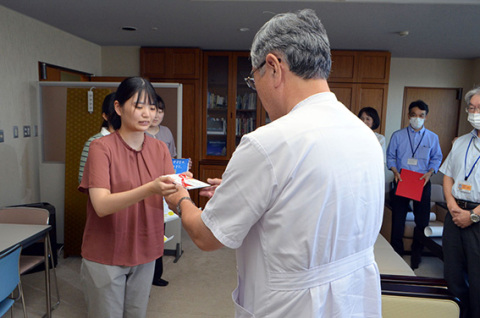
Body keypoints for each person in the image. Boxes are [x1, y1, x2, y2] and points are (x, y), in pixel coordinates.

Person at [165, 9, 384, 317]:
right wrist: (236, 195)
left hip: (291, 305)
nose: (258, 92)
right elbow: (314, 203)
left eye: (253, 81)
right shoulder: (364, 135)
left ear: (273, 67)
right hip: (353, 298)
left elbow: (205, 236)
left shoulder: (268, 142)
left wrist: (180, 200)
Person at [78, 77, 178, 318]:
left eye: (152, 107)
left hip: (146, 248)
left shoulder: (159, 148)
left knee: (136, 314)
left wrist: (188, 190)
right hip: (107, 252)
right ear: (118, 108)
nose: (147, 114)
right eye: (138, 106)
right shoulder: (101, 148)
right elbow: (101, 205)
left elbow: (172, 193)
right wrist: (150, 188)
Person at [386, 100, 442, 269]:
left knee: (422, 220)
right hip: (402, 179)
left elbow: (437, 158)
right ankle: (397, 252)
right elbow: (390, 156)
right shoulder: (398, 135)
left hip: (422, 180)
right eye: (414, 115)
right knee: (398, 219)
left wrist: (430, 172)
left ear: (425, 117)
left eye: (421, 116)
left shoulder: (432, 137)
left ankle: (416, 254)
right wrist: (395, 171)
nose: (417, 118)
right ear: (408, 115)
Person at [440, 86, 480, 318]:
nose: (474, 112)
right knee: (453, 276)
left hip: (476, 216)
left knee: (477, 280)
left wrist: (473, 215)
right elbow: (448, 175)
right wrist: (452, 206)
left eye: (479, 108)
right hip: (455, 214)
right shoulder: (461, 142)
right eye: (471, 108)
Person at [146, 94, 176, 287]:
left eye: (160, 110)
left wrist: (181, 166)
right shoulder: (139, 132)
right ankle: (140, 274)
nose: (157, 114)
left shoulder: (166, 132)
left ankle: (156, 275)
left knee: (159, 233)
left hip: (162, 190)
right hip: (145, 189)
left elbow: (172, 159)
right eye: (153, 109)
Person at [78, 92, 116, 183]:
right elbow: (82, 178)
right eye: (115, 114)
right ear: (105, 116)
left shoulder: (132, 140)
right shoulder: (94, 141)